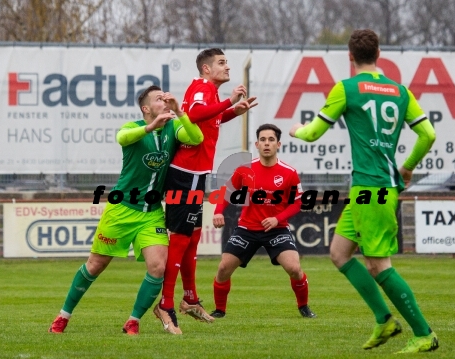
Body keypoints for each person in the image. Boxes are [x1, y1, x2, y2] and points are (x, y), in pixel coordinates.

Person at [289, 29, 439, 353]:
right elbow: (427, 134)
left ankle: (424, 332)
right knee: (339, 253)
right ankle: (383, 319)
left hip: (374, 188)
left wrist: (297, 131)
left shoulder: (347, 88)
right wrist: (408, 166)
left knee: (378, 265)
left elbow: (313, 133)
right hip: (369, 186)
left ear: (350, 56)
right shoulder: (400, 91)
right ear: (379, 53)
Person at [48, 85, 203, 336]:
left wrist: (180, 111)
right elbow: (122, 138)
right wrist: (150, 128)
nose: (165, 101)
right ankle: (63, 315)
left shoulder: (174, 128)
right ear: (146, 109)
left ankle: (133, 321)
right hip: (122, 209)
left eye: (166, 97)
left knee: (157, 267)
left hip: (151, 211)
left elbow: (196, 138)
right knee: (95, 265)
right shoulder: (132, 128)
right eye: (159, 99)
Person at [155, 48, 257, 331]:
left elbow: (207, 120)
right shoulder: (202, 87)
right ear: (206, 69)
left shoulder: (209, 91)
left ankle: (190, 299)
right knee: (180, 239)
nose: (227, 67)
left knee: (193, 237)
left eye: (227, 62)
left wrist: (232, 112)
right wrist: (230, 100)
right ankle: (166, 305)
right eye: (221, 63)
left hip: (197, 174)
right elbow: (197, 113)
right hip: (184, 175)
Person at [210, 123, 316, 319]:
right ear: (257, 144)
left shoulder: (289, 172)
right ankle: (219, 311)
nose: (267, 144)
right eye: (263, 140)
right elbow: (225, 192)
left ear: (279, 145)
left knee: (294, 268)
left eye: (271, 140)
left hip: (277, 229)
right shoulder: (245, 170)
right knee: (224, 268)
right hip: (247, 229)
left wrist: (278, 218)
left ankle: (304, 307)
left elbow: (298, 202)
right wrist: (218, 212)